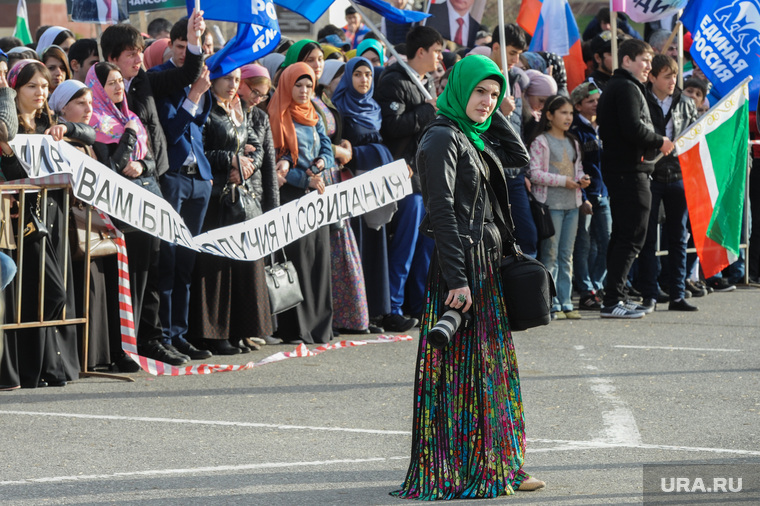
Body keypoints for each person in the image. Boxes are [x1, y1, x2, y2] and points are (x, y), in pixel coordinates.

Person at [392, 54, 543, 499]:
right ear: (459, 89)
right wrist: (458, 280)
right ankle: (467, 465)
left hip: (486, 267)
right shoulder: (441, 138)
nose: (487, 102)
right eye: (479, 92)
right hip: (462, 270)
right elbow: (440, 215)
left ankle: (498, 461)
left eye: (494, 95)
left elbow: (517, 158)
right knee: (465, 372)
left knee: (488, 369)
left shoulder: (470, 133)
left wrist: (496, 115)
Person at [0, 60, 89, 388]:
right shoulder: (9, 130)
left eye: (44, 87)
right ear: (15, 90)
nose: (40, 92)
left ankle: (44, 366)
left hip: (52, 216)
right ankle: (28, 367)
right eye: (31, 86)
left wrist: (68, 131)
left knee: (51, 293)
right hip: (19, 220)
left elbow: (91, 134)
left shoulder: (49, 125)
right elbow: (15, 174)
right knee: (44, 293)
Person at [188, 68, 274, 354]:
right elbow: (199, 150)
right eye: (227, 79)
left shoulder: (240, 109)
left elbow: (256, 146)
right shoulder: (206, 109)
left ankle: (240, 330)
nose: (232, 85)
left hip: (240, 196)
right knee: (216, 268)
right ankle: (213, 334)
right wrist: (231, 160)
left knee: (241, 267)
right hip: (214, 199)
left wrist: (247, 165)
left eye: (237, 80)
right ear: (214, 80)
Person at [150, 17, 215, 360]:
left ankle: (181, 333)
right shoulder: (160, 80)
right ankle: (163, 335)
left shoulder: (202, 77)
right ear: (173, 45)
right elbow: (171, 132)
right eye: (181, 47)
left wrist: (200, 95)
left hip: (198, 177)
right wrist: (193, 95)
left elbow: (200, 124)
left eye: (200, 49)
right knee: (169, 259)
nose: (186, 54)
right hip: (173, 177)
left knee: (187, 262)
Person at [597, 39, 674, 318]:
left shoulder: (620, 86)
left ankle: (616, 295)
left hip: (625, 171)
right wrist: (660, 140)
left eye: (650, 61)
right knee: (631, 237)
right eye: (644, 60)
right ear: (627, 60)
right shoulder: (626, 87)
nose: (648, 67)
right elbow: (633, 129)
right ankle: (613, 300)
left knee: (623, 236)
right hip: (629, 172)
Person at [375, 26, 443, 331]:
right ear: (421, 52)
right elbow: (392, 127)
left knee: (425, 246)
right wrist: (427, 112)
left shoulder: (426, 82)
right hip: (404, 176)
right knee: (404, 244)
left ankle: (420, 304)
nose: (440, 57)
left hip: (426, 176)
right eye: (437, 51)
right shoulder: (394, 80)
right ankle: (393, 306)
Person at [268, 62, 335, 344]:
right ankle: (295, 328)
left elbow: (327, 148)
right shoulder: (276, 115)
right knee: (296, 261)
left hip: (315, 195)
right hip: (291, 196)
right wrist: (302, 180)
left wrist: (321, 163)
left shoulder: (314, 115)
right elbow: (274, 162)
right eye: (299, 85)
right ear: (287, 85)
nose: (305, 91)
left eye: (309, 86)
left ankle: (319, 325)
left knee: (318, 259)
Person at [332, 56, 395, 330]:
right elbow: (342, 151)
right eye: (357, 74)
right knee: (356, 246)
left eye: (368, 75)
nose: (363, 80)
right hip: (351, 189)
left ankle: (377, 311)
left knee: (375, 246)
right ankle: (356, 313)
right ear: (348, 77)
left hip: (375, 190)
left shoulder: (374, 109)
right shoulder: (340, 109)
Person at [639, 54, 699, 312]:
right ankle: (650, 295)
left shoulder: (686, 102)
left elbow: (694, 136)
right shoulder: (640, 99)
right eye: (667, 76)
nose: (673, 80)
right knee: (648, 238)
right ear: (652, 77)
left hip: (678, 175)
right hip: (650, 175)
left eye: (674, 75)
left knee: (678, 237)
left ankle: (677, 293)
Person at [528, 95, 589, 320]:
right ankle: (550, 304)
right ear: (550, 115)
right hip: (550, 205)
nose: (568, 117)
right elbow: (534, 173)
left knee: (567, 255)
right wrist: (565, 181)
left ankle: (566, 302)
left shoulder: (573, 141)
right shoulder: (541, 142)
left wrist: (583, 180)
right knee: (550, 255)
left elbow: (578, 169)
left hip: (572, 204)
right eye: (563, 112)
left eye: (571, 113)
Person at [569, 82, 610, 311]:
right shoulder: (574, 130)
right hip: (586, 193)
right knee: (583, 245)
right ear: (578, 105)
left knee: (606, 241)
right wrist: (583, 194)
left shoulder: (603, 125)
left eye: (597, 100)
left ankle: (595, 284)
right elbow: (577, 166)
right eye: (590, 101)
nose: (596, 105)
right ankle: (586, 290)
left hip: (604, 193)